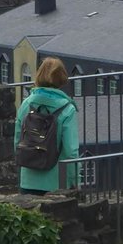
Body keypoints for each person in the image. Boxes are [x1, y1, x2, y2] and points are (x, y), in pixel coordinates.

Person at [13, 57, 80, 194]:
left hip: (28, 180)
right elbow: (71, 151)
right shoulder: (67, 109)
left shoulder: (26, 104)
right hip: (57, 183)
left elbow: (17, 140)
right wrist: (74, 180)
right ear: (62, 77)